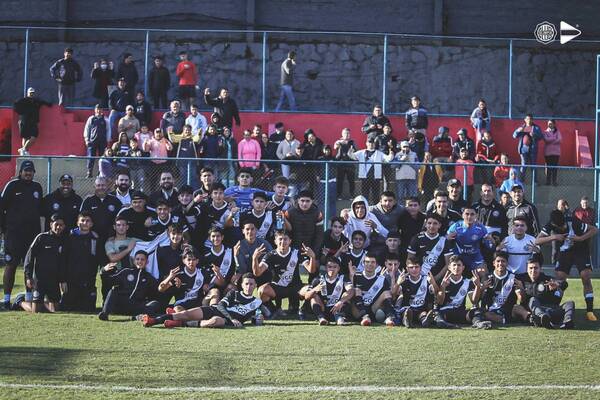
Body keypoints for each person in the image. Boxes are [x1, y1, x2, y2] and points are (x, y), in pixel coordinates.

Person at [535, 208, 598, 321]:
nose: (563, 228)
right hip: (565, 253)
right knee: (559, 279)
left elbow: (594, 229)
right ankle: (554, 308)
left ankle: (589, 311)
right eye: (559, 227)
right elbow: (537, 241)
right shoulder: (551, 224)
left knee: (585, 276)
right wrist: (554, 237)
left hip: (580, 250)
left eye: (563, 225)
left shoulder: (573, 221)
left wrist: (580, 238)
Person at [142, 272, 262, 328]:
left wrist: (258, 320)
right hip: (213, 310)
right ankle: (154, 321)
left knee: (216, 321)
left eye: (251, 284)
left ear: (255, 285)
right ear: (242, 285)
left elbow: (256, 317)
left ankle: (182, 323)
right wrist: (232, 318)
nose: (249, 286)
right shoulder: (233, 293)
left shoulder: (257, 303)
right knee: (184, 313)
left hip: (222, 320)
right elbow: (220, 306)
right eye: (246, 284)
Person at [0, 160, 43, 308]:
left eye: (31, 170)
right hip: (13, 235)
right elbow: (1, 208)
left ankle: (29, 298)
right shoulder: (12, 185)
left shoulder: (37, 187)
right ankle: (6, 300)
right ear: (20, 172)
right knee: (11, 265)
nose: (28, 173)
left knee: (29, 267)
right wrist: (3, 229)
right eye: (26, 170)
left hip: (31, 235)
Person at [253, 230, 317, 319]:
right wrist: (254, 259)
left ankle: (303, 310)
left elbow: (311, 270)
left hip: (296, 287)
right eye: (280, 239)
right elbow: (257, 273)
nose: (282, 242)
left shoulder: (296, 252)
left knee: (312, 290)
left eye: (285, 239)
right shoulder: (270, 255)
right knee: (262, 290)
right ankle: (274, 310)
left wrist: (312, 257)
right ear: (275, 241)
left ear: (290, 241)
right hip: (278, 287)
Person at [20, 214, 66, 313]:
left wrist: (62, 280)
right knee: (36, 311)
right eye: (56, 224)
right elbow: (29, 258)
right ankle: (20, 302)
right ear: (50, 224)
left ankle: (42, 305)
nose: (58, 227)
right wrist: (28, 277)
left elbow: (62, 263)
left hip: (54, 281)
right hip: (39, 280)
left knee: (55, 311)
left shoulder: (64, 240)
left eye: (61, 225)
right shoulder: (41, 237)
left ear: (64, 226)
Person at [98, 250, 160, 321]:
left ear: (147, 262)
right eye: (137, 259)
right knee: (113, 292)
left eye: (142, 259)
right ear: (134, 261)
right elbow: (109, 281)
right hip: (120, 304)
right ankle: (104, 314)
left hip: (135, 306)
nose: (140, 261)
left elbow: (157, 292)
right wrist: (103, 271)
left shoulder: (149, 278)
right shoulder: (126, 271)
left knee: (155, 304)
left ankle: (136, 317)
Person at [434, 256, 492, 329]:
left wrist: (477, 286)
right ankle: (442, 323)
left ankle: (478, 323)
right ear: (449, 267)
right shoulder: (442, 281)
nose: (456, 267)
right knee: (436, 313)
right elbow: (439, 302)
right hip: (444, 312)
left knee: (477, 311)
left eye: (459, 265)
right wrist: (443, 287)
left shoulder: (467, 282)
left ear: (463, 267)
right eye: (454, 265)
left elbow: (474, 301)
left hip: (460, 312)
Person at [60, 211, 100, 312]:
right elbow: (63, 259)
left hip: (88, 280)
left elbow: (97, 258)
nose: (85, 223)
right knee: (66, 308)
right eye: (82, 220)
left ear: (92, 224)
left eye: (88, 221)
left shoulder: (95, 238)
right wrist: (62, 279)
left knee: (88, 309)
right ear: (77, 222)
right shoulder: (70, 237)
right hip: (71, 280)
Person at [520, 255, 574, 329]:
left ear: (540, 269)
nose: (533, 271)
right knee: (532, 299)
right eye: (530, 268)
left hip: (552, 309)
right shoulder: (522, 279)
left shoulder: (546, 279)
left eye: (536, 268)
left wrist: (557, 284)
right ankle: (543, 318)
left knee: (570, 303)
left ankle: (567, 322)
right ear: (527, 269)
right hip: (537, 311)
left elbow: (564, 283)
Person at [301, 256, 354, 325]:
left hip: (337, 308)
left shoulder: (343, 278)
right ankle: (321, 318)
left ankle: (340, 318)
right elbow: (306, 296)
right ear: (326, 268)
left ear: (338, 268)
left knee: (347, 296)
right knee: (313, 297)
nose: (332, 269)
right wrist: (314, 289)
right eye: (329, 267)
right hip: (323, 309)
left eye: (335, 267)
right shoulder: (318, 279)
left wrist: (341, 301)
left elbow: (351, 290)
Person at [480, 252, 528, 325]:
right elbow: (478, 299)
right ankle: (504, 320)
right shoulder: (487, 277)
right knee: (483, 313)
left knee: (518, 308)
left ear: (507, 263)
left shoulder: (513, 278)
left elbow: (521, 299)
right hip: (491, 311)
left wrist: (521, 288)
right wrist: (481, 288)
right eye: (498, 261)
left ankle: (531, 319)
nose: (500, 263)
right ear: (494, 263)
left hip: (510, 311)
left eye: (503, 261)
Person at [447, 206, 494, 278]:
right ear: (462, 215)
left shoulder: (481, 228)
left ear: (476, 216)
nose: (469, 217)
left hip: (474, 257)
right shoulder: (456, 226)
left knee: (484, 273)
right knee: (451, 273)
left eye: (472, 214)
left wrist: (491, 241)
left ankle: (482, 289)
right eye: (467, 214)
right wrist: (448, 238)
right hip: (459, 257)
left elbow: (489, 246)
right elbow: (445, 241)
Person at [351, 252, 396, 326]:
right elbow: (350, 293)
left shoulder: (382, 279)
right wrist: (351, 276)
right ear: (363, 263)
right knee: (356, 290)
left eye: (372, 262)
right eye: (367, 262)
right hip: (358, 311)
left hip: (373, 308)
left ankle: (389, 318)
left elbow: (391, 296)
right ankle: (365, 317)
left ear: (376, 264)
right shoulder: (356, 276)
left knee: (386, 293)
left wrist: (392, 278)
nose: (370, 264)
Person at [394, 257, 440, 328]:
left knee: (423, 314)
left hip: (421, 309)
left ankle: (425, 321)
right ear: (407, 268)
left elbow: (437, 293)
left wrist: (433, 282)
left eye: (416, 267)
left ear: (420, 268)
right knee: (406, 312)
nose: (414, 269)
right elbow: (393, 295)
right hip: (408, 309)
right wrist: (398, 283)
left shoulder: (426, 280)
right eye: (411, 267)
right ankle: (407, 321)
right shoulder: (404, 280)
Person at [407, 213, 454, 281]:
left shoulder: (444, 241)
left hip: (438, 279)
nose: (432, 226)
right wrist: (416, 276)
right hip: (418, 278)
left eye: (435, 223)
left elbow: (448, 264)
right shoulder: (416, 239)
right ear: (425, 224)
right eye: (429, 223)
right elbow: (409, 260)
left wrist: (435, 279)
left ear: (439, 225)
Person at [199, 227, 237, 305]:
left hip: (228, 284)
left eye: (218, 236)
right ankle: (212, 312)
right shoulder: (206, 255)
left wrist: (237, 274)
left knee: (232, 289)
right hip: (213, 286)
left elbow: (238, 266)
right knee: (215, 293)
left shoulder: (230, 250)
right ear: (209, 238)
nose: (216, 238)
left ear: (222, 237)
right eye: (213, 236)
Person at [102, 216, 137, 300]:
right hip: (117, 274)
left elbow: (151, 245)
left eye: (123, 225)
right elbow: (113, 258)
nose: (121, 227)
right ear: (114, 227)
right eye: (118, 225)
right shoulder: (110, 242)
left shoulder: (134, 240)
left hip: (132, 273)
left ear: (127, 227)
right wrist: (128, 249)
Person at [348, 137, 389, 205]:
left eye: (372, 143)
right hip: (365, 177)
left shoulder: (379, 153)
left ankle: (376, 208)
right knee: (364, 194)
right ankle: (365, 207)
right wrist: (350, 150)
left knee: (376, 195)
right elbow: (352, 156)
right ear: (366, 143)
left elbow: (388, 158)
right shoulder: (361, 152)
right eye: (369, 142)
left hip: (375, 177)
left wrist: (391, 152)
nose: (371, 144)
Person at [13, 87, 51, 155]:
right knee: (25, 136)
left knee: (34, 136)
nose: (31, 94)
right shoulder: (23, 100)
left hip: (33, 121)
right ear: (27, 93)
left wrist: (49, 104)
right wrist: (21, 112)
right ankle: (24, 151)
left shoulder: (36, 101)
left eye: (32, 93)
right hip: (24, 121)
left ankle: (23, 149)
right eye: (30, 93)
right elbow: (15, 105)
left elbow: (43, 102)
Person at [513, 113, 543, 182]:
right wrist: (518, 131)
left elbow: (541, 137)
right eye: (527, 119)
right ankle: (521, 181)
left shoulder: (536, 128)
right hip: (523, 149)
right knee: (524, 164)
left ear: (532, 120)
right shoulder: (522, 127)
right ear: (525, 120)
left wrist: (534, 135)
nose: (529, 120)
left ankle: (534, 181)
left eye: (530, 119)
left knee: (533, 165)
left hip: (533, 149)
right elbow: (514, 136)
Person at [83, 104, 110, 177]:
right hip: (92, 141)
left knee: (102, 157)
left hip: (102, 141)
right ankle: (89, 172)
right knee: (91, 157)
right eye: (97, 109)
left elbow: (108, 130)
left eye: (100, 109)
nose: (99, 110)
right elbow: (87, 129)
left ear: (102, 110)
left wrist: (108, 140)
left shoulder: (106, 119)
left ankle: (101, 172)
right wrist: (86, 139)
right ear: (95, 110)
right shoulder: (91, 118)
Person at [333, 128, 357, 200]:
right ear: (342, 134)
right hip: (341, 164)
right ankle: (338, 195)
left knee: (351, 181)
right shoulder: (338, 141)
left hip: (350, 164)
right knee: (340, 180)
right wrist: (338, 145)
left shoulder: (352, 142)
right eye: (345, 133)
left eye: (348, 133)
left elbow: (356, 151)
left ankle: (352, 195)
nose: (347, 135)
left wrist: (353, 149)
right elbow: (335, 147)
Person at [542, 119, 561, 186]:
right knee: (548, 167)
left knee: (555, 168)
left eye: (551, 123)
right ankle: (548, 181)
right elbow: (546, 140)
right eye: (548, 123)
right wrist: (554, 138)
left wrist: (551, 139)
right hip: (548, 153)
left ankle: (554, 181)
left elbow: (559, 139)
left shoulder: (557, 131)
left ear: (554, 124)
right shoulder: (545, 132)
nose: (549, 125)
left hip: (556, 153)